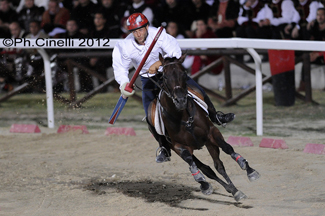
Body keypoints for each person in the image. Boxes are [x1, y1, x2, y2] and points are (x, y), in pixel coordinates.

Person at [112, 13, 235, 163]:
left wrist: (158, 64)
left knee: (198, 91)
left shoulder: (158, 34)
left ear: (146, 27)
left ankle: (216, 116)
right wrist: (124, 83)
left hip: (170, 74)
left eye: (140, 29)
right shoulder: (124, 46)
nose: (138, 34)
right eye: (134, 31)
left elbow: (175, 52)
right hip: (148, 80)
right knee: (149, 116)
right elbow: (120, 68)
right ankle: (164, 147)